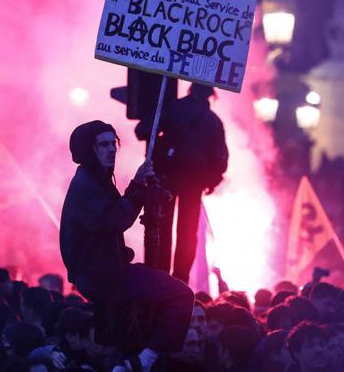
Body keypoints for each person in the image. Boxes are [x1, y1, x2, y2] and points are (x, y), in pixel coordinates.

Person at [59, 120, 195, 369]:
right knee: (181, 295)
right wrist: (138, 187)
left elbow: (116, 214)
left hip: (107, 271)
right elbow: (114, 220)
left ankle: (131, 362)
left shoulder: (96, 180)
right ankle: (145, 361)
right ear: (89, 149)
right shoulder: (85, 186)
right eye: (103, 144)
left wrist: (138, 185)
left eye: (114, 143)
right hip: (103, 275)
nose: (112, 149)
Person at [143, 84, 228, 283]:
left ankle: (160, 277)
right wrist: (211, 181)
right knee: (188, 233)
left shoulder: (171, 108)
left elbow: (143, 130)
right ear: (210, 94)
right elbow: (220, 159)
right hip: (194, 182)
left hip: (166, 177)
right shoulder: (213, 121)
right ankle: (180, 281)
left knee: (161, 227)